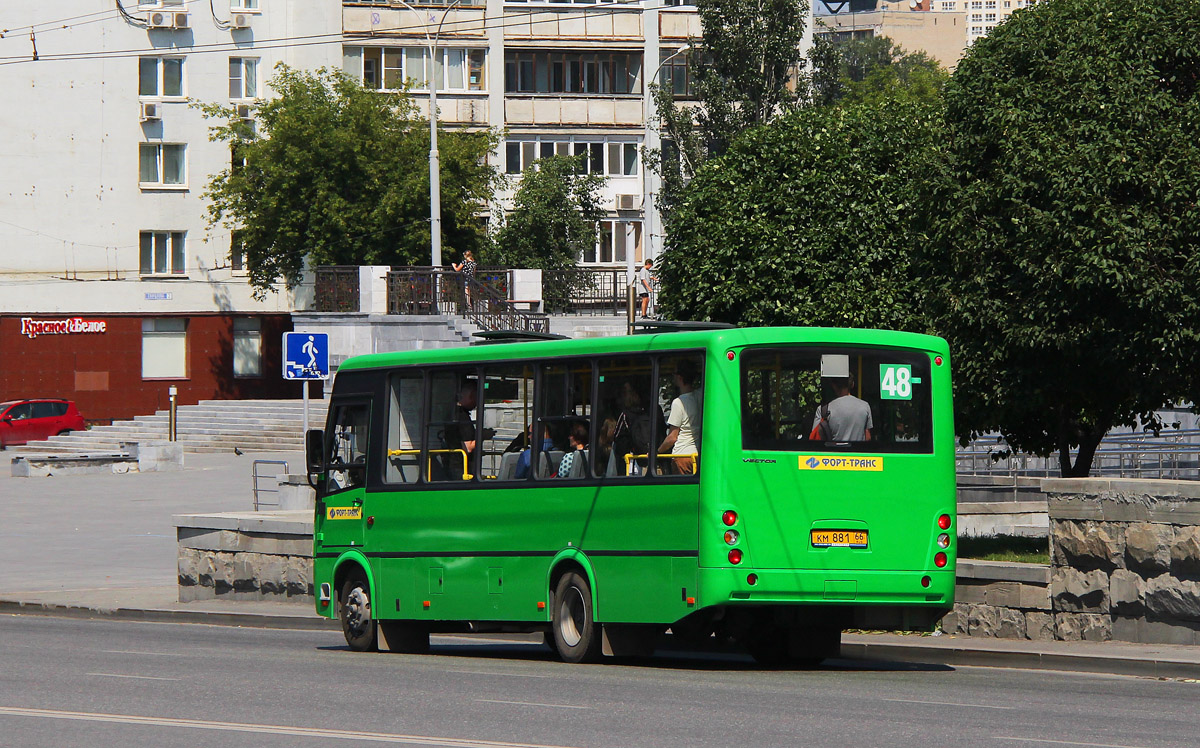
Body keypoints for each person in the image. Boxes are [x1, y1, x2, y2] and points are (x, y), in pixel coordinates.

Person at [658, 360, 702, 475]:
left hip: (682, 456)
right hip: (697, 455)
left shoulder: (679, 402)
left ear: (679, 377)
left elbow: (672, 437)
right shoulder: (700, 396)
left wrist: (656, 452)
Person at [812, 376, 872, 442]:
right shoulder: (865, 406)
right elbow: (868, 438)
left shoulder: (823, 410)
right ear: (852, 385)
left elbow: (816, 439)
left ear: (833, 385)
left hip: (833, 451)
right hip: (857, 451)